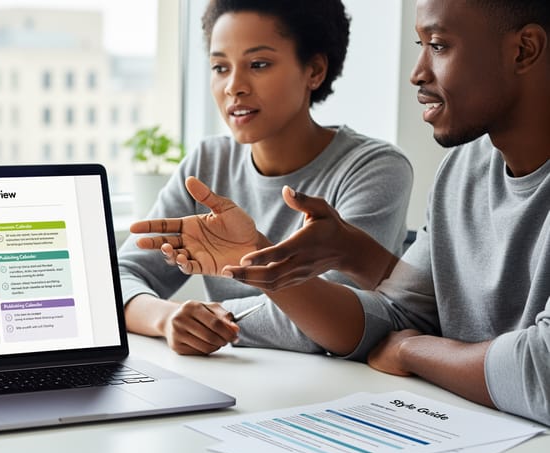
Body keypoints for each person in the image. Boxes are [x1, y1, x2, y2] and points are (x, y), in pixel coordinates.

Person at [132, 0, 550, 426]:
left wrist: (411, 351)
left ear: (524, 50)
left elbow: (541, 369)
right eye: (420, 44)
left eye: (439, 46)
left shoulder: (375, 166)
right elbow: (410, 311)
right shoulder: (463, 169)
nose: (417, 73)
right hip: (473, 427)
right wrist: (270, 256)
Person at [118, 0, 413, 356]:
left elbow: (338, 320)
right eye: (219, 67)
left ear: (314, 70)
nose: (233, 86)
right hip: (236, 376)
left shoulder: (373, 168)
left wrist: (211, 322)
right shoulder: (209, 162)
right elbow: (118, 279)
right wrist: (166, 319)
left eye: (258, 64)